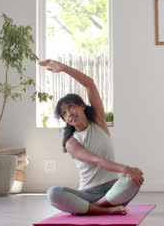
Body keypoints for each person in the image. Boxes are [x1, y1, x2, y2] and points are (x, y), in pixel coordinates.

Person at [39, 59, 144, 215]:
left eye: (71, 107)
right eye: (65, 114)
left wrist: (63, 68)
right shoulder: (71, 142)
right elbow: (97, 161)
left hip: (113, 190)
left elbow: (89, 84)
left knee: (135, 177)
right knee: (53, 193)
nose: (69, 114)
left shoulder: (99, 121)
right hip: (87, 194)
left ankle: (97, 207)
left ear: (82, 106)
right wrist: (126, 168)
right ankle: (105, 211)